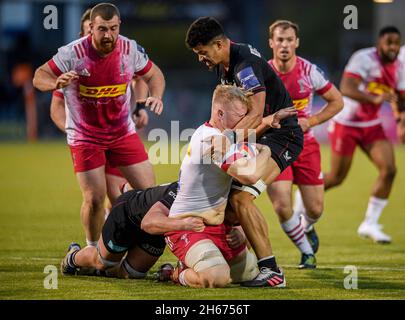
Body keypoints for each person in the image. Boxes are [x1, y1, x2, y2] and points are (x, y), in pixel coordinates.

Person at [33, 3, 165, 248]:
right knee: (95, 198)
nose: (108, 35)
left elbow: (153, 75)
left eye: (113, 29)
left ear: (119, 26)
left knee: (150, 193)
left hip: (121, 134)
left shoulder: (129, 49)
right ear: (90, 28)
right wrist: (55, 82)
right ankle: (92, 250)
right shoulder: (72, 54)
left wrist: (153, 98)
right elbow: (39, 76)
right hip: (86, 138)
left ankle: (136, 243)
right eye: (102, 29)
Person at [185, 16, 303, 287]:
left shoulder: (244, 66)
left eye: (203, 53)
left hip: (281, 136)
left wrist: (225, 139)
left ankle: (271, 271)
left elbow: (256, 113)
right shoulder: (226, 62)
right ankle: (237, 256)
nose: (201, 59)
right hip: (259, 135)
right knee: (229, 206)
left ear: (218, 44)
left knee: (241, 200)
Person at [145, 84, 294, 288]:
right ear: (220, 113)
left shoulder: (223, 135)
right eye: (240, 116)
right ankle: (177, 273)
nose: (245, 122)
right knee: (217, 277)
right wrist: (267, 152)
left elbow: (242, 140)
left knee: (249, 273)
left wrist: (268, 121)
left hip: (218, 227)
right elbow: (250, 176)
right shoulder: (212, 140)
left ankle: (201, 260)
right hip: (188, 226)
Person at [297, 26, 405, 243]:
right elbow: (346, 88)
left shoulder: (400, 67)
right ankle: (306, 192)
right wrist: (372, 98)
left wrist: (400, 121)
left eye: (396, 43)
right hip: (346, 123)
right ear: (379, 44)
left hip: (371, 124)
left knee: (389, 169)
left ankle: (370, 223)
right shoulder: (363, 58)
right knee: (337, 177)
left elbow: (400, 97)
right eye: (388, 42)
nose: (392, 47)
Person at [49, 8, 151, 210]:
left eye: (110, 29)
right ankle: (104, 235)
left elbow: (141, 79)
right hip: (88, 139)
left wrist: (140, 106)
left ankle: (116, 230)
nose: (103, 36)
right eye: (92, 30)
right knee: (98, 195)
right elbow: (56, 107)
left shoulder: (124, 54)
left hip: (116, 134)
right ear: (84, 35)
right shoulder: (73, 64)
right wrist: (72, 130)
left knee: (116, 192)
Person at [265, 20, 343, 268]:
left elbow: (337, 101)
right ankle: (307, 252)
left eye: (289, 40)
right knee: (281, 204)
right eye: (280, 40)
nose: (284, 45)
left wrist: (312, 121)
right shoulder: (262, 73)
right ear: (271, 43)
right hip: (274, 147)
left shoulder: (309, 71)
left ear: (296, 43)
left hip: (305, 145)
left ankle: (306, 227)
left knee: (316, 209)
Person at [60, 182, 206, 279]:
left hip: (156, 231)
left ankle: (96, 271)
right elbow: (148, 223)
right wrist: (184, 224)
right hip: (128, 214)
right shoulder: (182, 189)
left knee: (132, 274)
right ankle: (72, 258)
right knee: (102, 262)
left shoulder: (212, 193)